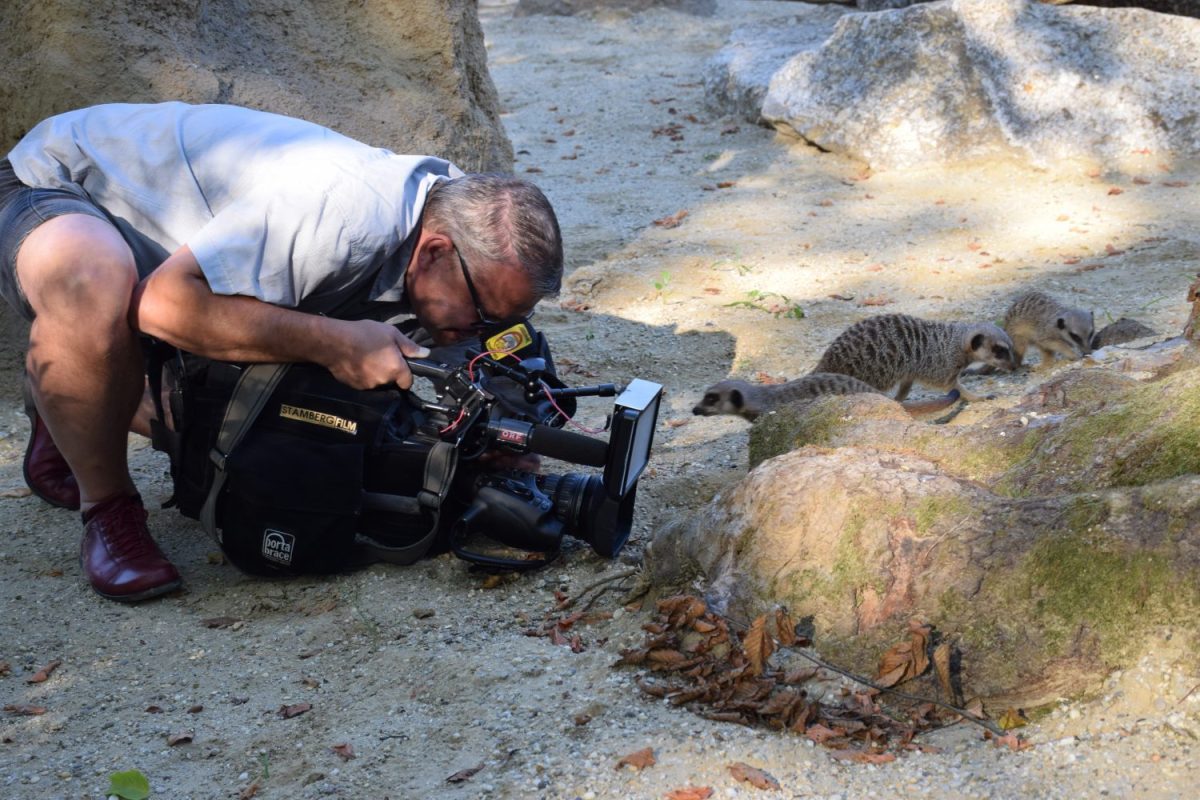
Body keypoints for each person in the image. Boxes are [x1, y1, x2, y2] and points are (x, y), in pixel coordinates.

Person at [0, 102, 563, 603]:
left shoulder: (463, 227)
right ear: (435, 252)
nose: (484, 329)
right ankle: (108, 507)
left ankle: (70, 397)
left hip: (182, 255)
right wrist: (336, 341)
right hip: (57, 183)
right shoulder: (344, 217)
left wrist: (505, 440)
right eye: (483, 313)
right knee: (94, 283)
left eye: (510, 318)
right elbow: (160, 307)